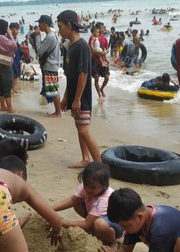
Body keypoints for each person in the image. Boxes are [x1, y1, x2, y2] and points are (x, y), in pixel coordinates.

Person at [57, 10, 101, 168]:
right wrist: (66, 97)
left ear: (69, 25)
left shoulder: (81, 46)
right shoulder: (71, 47)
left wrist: (76, 99)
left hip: (82, 97)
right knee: (79, 127)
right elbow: (71, 76)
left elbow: (83, 74)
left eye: (60, 26)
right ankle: (85, 158)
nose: (59, 29)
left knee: (84, 130)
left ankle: (100, 165)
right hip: (75, 95)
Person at [52, 162, 122, 251]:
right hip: (97, 216)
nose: (88, 189)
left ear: (104, 185)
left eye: (93, 188)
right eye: (86, 185)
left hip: (116, 224)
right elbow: (73, 200)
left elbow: (86, 224)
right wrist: (50, 210)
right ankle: (93, 227)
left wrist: (58, 221)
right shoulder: (87, 184)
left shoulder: (105, 199)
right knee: (77, 202)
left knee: (99, 225)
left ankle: (112, 241)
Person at [35, 15, 62, 117]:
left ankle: (58, 112)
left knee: (54, 90)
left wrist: (37, 36)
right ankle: (57, 111)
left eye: (39, 24)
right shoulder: (53, 34)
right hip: (52, 65)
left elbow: (39, 50)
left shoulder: (50, 36)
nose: (38, 26)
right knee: (53, 88)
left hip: (50, 65)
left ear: (44, 24)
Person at [0, 19, 18, 113]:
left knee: (2, 85)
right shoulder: (1, 38)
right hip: (5, 63)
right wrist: (11, 35)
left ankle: (3, 106)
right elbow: (14, 46)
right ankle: (10, 108)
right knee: (7, 85)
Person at [90, 22, 110, 102]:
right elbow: (91, 50)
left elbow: (107, 49)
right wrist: (100, 53)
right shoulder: (93, 37)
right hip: (95, 61)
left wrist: (105, 52)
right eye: (102, 28)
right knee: (96, 78)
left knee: (107, 77)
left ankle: (101, 89)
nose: (104, 29)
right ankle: (99, 95)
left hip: (104, 60)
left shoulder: (104, 38)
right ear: (98, 28)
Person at [9, 22, 21, 95]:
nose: (18, 31)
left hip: (17, 58)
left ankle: (13, 88)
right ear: (12, 29)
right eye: (17, 30)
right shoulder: (8, 38)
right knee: (13, 74)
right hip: (12, 58)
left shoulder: (16, 38)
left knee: (17, 74)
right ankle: (11, 89)